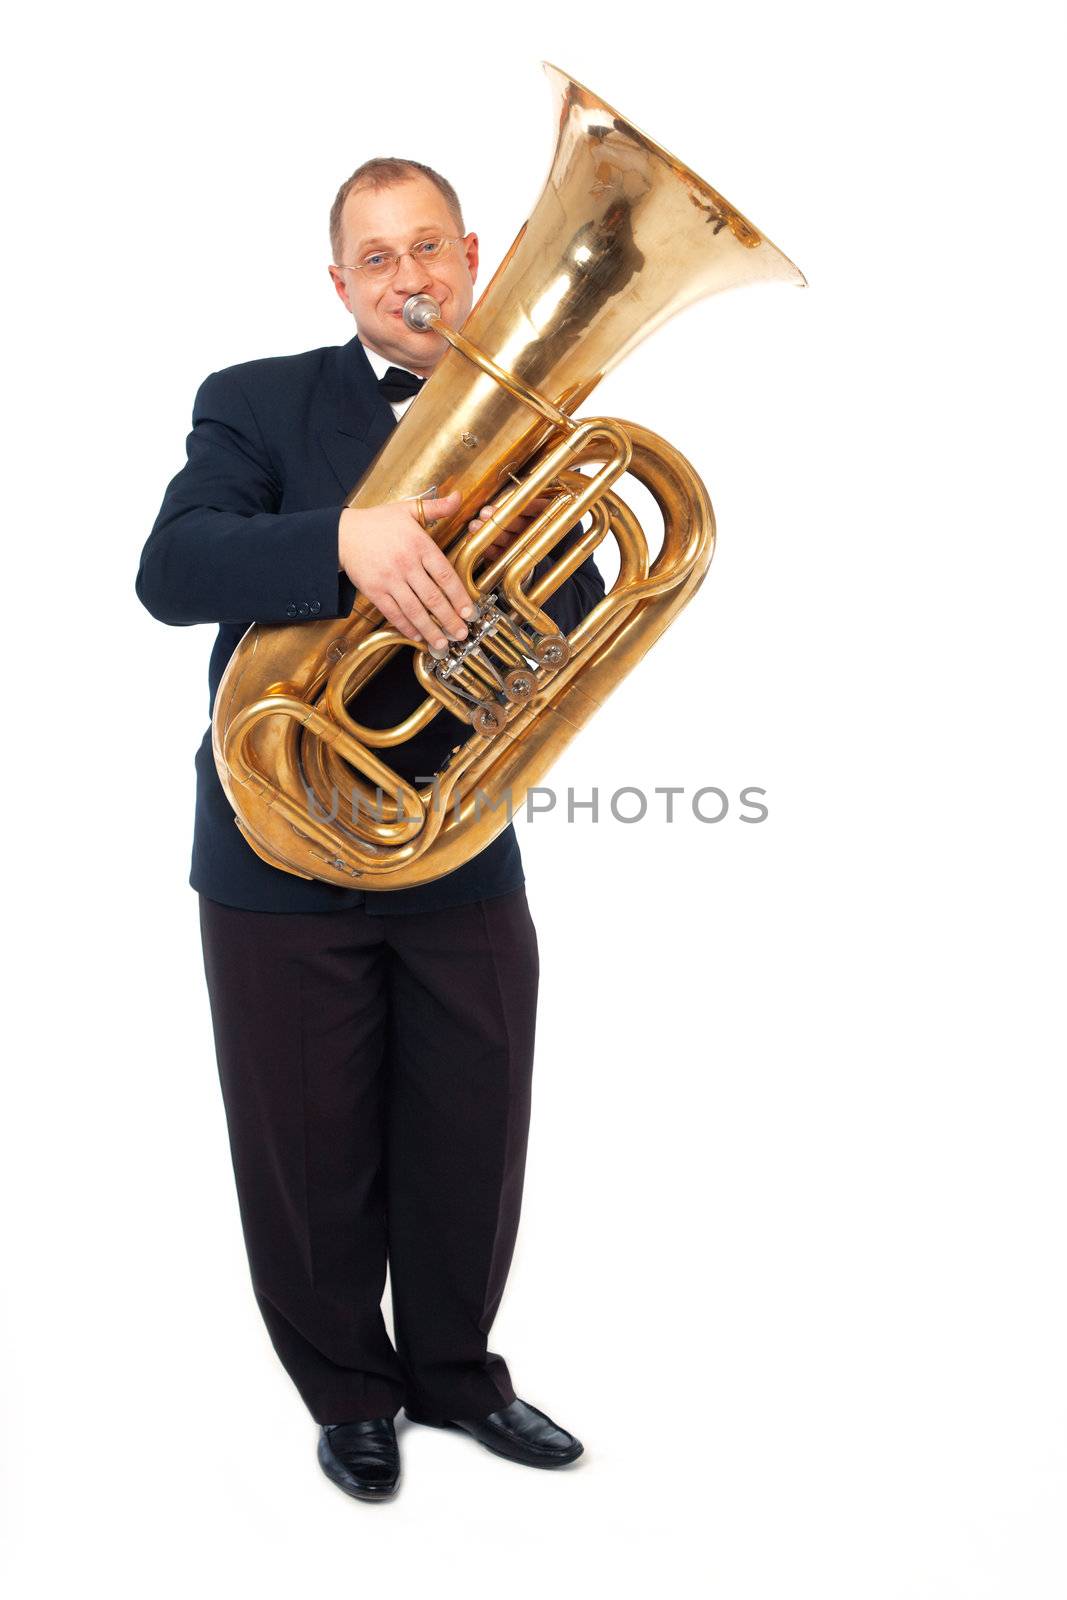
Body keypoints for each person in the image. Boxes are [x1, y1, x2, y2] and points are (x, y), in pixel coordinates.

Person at [136, 155, 605, 1502]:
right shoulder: (256, 401)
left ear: (473, 257)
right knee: (304, 1141)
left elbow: (573, 612)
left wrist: (511, 604)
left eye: (428, 250)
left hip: (454, 834)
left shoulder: (550, 420)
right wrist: (344, 539)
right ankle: (348, 1391)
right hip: (272, 843)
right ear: (342, 285)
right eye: (377, 259)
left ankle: (458, 1376)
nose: (409, 280)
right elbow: (173, 569)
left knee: (474, 1121)